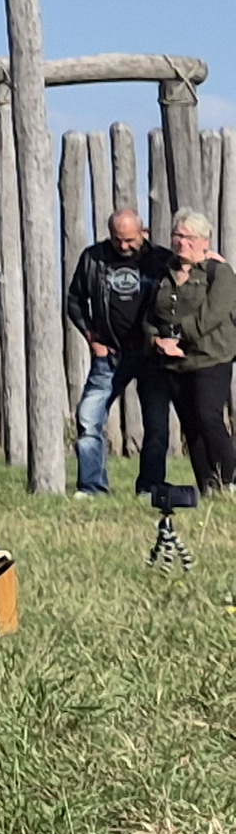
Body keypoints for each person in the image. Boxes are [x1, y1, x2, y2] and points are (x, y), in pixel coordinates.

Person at [140, 212, 236, 568]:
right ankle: (207, 484)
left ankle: (230, 479)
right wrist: (157, 341)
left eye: (186, 237)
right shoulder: (165, 271)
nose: (180, 242)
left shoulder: (219, 273)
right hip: (174, 362)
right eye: (176, 235)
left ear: (203, 241)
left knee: (210, 416)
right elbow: (151, 315)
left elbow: (211, 316)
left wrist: (176, 336)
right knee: (192, 424)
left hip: (211, 358)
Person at [67, 204, 171, 498]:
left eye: (130, 240)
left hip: (152, 356)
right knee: (89, 418)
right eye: (118, 240)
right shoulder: (93, 258)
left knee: (156, 427)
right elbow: (75, 300)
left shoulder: (161, 260)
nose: (124, 246)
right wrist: (92, 339)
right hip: (110, 354)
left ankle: (150, 488)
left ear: (144, 232)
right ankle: (92, 487)